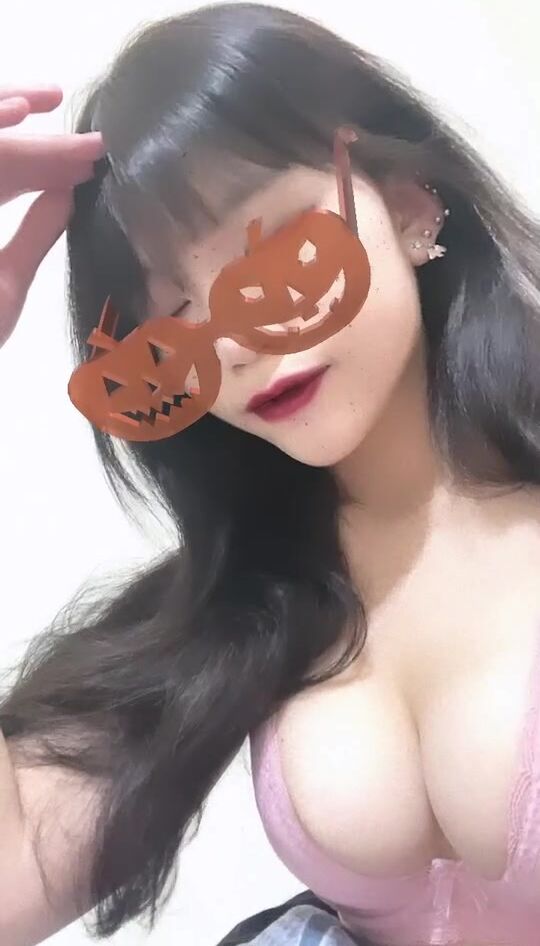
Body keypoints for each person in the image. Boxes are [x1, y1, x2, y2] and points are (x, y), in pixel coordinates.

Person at [0, 4, 539, 946]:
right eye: (173, 321)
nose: (236, 345)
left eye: (274, 251)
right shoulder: (232, 616)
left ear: (408, 202)